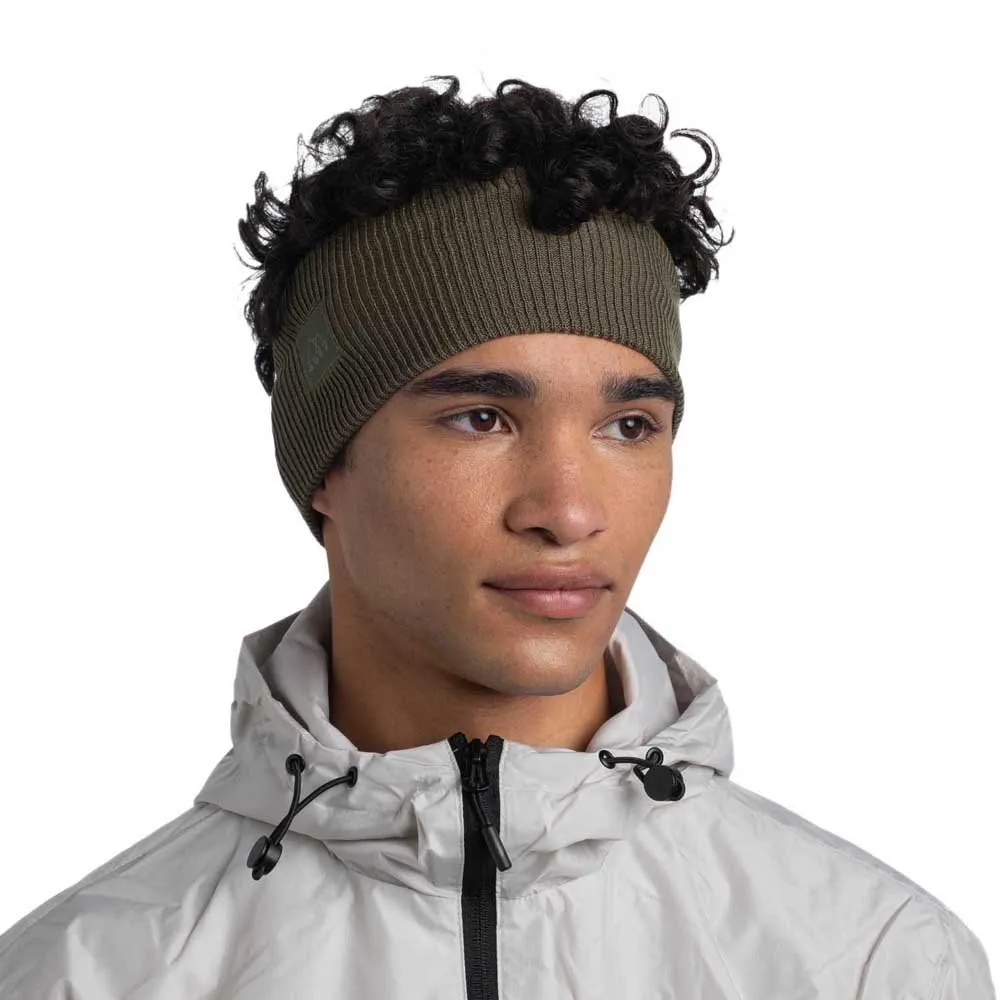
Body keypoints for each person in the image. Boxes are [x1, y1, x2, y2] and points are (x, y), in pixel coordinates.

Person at [0, 74, 993, 999]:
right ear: (325, 464)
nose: (568, 511)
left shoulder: (872, 960)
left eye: (628, 426)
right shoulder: (91, 974)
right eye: (481, 418)